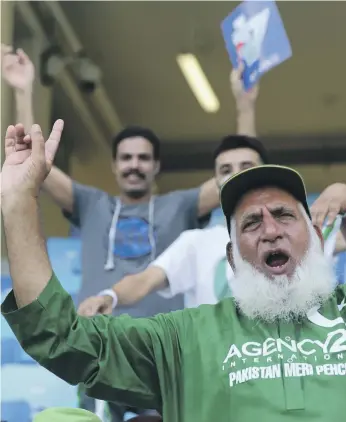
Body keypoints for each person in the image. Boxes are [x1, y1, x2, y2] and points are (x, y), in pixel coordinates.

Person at [1, 16, 346, 421]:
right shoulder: (183, 339)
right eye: (250, 223)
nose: (269, 227)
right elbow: (64, 339)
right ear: (230, 254)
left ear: (313, 233)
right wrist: (18, 204)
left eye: (285, 214)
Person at [0, 46, 250, 421]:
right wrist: (23, 90)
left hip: (161, 354)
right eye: (127, 158)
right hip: (97, 350)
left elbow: (242, 172)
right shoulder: (91, 203)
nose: (135, 165)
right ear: (115, 166)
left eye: (143, 158)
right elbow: (34, 168)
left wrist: (245, 102)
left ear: (156, 166)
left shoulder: (179, 206)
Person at [76, 106, 346, 317]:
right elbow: (143, 281)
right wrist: (110, 296)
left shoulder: (303, 228)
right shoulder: (195, 243)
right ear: (215, 180)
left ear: (263, 172)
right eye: (226, 169)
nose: (236, 174)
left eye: (246, 166)